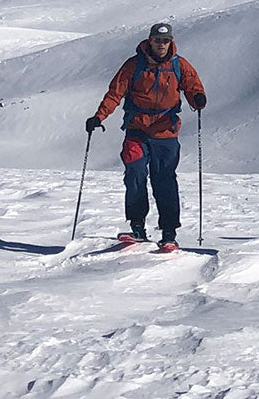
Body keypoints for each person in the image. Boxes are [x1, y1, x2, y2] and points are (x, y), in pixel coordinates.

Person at [85, 23, 206, 248]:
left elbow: (193, 87)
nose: (161, 44)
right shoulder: (134, 65)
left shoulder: (180, 65)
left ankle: (169, 233)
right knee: (135, 174)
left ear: (170, 42)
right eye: (158, 40)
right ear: (150, 40)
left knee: (164, 180)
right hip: (137, 129)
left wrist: (197, 98)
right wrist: (98, 117)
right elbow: (115, 93)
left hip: (166, 132)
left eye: (165, 41)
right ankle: (137, 226)